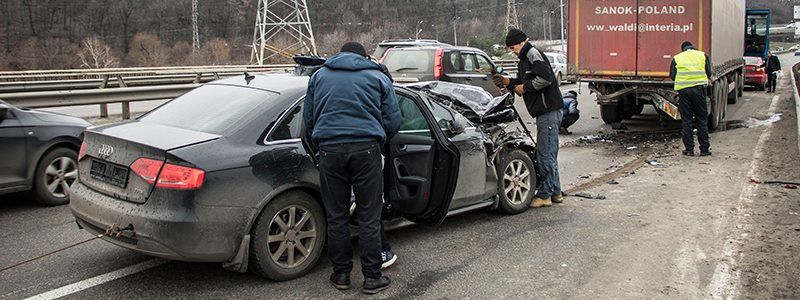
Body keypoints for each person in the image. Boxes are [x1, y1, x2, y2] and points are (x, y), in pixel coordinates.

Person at [303, 42, 401, 294]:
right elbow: (393, 120)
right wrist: (379, 140)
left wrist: (322, 144)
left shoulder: (319, 77)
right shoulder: (377, 76)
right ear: (363, 57)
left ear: (339, 55)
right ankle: (372, 277)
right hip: (366, 150)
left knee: (336, 216)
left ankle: (341, 274)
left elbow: (309, 120)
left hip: (330, 151)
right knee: (369, 216)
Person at [493, 28, 564, 208]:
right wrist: (508, 82)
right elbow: (522, 80)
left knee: (545, 154)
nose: (512, 51)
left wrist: (524, 88)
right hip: (545, 112)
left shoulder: (532, 54)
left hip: (548, 111)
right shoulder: (524, 60)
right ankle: (555, 192)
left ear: (521, 42)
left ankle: (545, 195)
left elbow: (545, 79)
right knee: (548, 153)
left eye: (513, 47)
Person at [669, 41, 712, 157]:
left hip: (684, 92)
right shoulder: (702, 56)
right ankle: (704, 149)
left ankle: (689, 150)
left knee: (686, 120)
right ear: (693, 47)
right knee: (701, 120)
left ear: (682, 49)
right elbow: (709, 73)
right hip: (699, 91)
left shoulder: (677, 58)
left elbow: (672, 76)